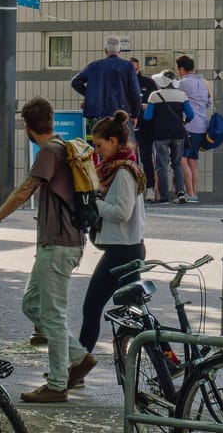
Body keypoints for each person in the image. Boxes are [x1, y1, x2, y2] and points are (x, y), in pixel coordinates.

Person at [0, 97, 91, 403]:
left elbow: (23, 190)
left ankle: (57, 385)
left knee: (52, 315)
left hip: (59, 244)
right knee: (32, 305)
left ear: (27, 128)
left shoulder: (49, 153)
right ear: (50, 120)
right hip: (57, 243)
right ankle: (79, 357)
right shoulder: (62, 147)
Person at [75, 111, 148, 385]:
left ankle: (78, 369)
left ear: (114, 141)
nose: (97, 150)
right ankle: (167, 359)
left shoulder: (123, 172)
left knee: (93, 307)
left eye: (100, 145)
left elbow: (121, 211)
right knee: (136, 314)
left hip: (123, 252)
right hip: (129, 249)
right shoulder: (121, 167)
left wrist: (95, 204)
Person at [71, 35, 141, 129]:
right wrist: (135, 115)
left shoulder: (94, 66)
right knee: (123, 141)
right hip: (122, 113)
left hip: (99, 114)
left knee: (102, 141)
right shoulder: (127, 66)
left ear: (105, 50)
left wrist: (91, 94)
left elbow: (75, 82)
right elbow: (135, 92)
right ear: (119, 50)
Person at [144, 70, 192, 204]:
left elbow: (148, 117)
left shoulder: (154, 95)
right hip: (178, 134)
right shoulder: (182, 95)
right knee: (177, 164)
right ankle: (180, 193)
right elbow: (191, 115)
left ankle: (164, 197)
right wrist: (184, 122)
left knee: (162, 165)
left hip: (160, 135)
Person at [174, 55, 210, 204]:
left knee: (182, 160)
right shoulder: (204, 82)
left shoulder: (183, 83)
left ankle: (189, 193)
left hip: (189, 126)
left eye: (178, 68)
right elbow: (208, 103)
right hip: (201, 126)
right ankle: (195, 192)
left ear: (182, 69)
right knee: (193, 161)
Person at [131, 58, 159, 200]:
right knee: (131, 158)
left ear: (139, 68)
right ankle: (133, 187)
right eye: (131, 70)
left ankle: (150, 188)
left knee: (147, 157)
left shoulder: (148, 83)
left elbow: (156, 101)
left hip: (146, 125)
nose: (133, 72)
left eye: (135, 69)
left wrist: (147, 106)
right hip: (129, 125)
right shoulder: (122, 83)